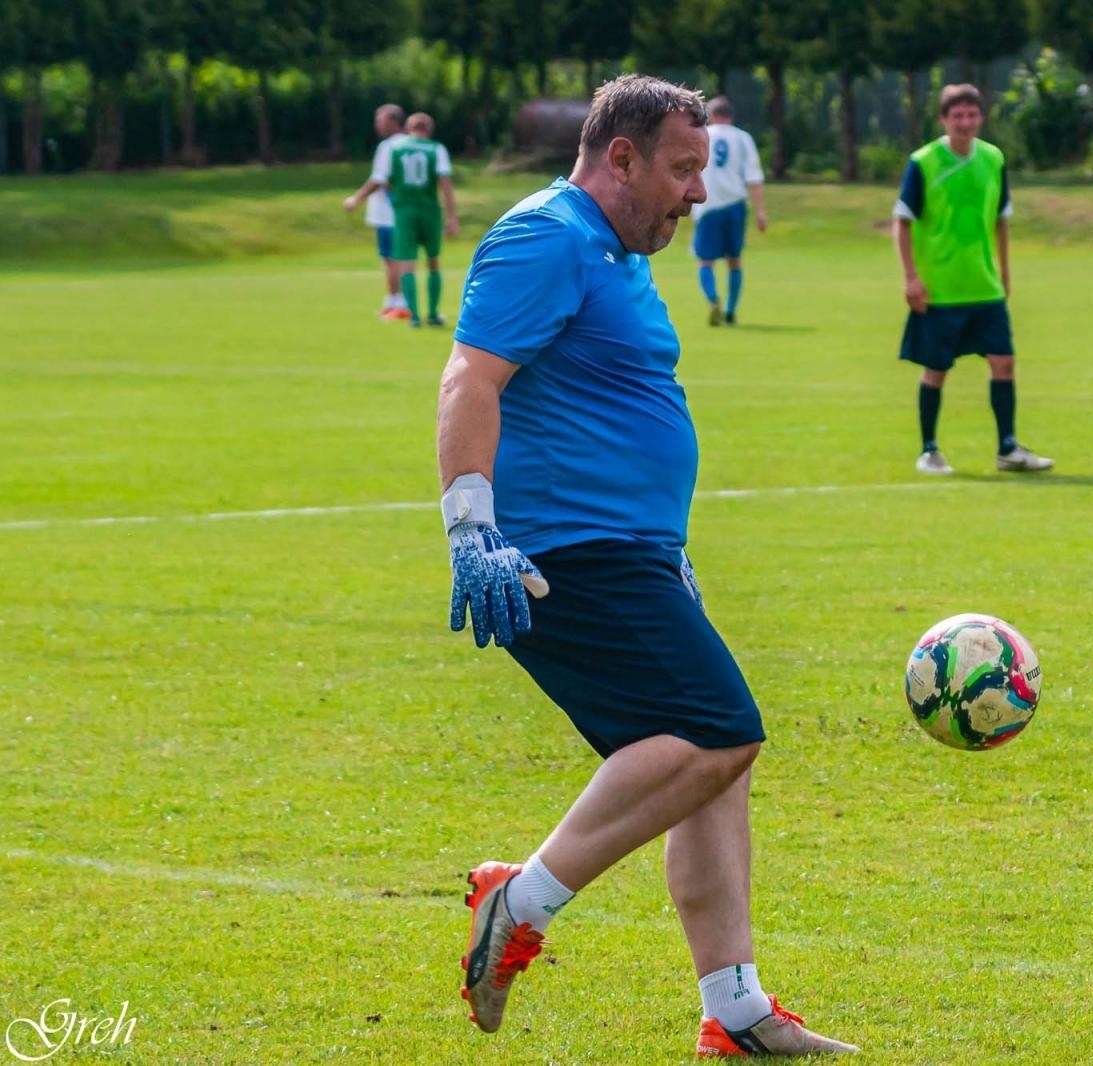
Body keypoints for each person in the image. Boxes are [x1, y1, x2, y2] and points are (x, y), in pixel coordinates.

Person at [435, 74, 858, 1058]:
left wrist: (673, 553)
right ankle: (520, 898)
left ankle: (736, 1009)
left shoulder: (621, 252)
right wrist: (470, 525)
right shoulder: (546, 235)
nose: (695, 195)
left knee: (713, 770)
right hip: (561, 555)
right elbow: (471, 376)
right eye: (679, 170)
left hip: (634, 554)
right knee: (719, 732)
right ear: (616, 156)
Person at [893, 83, 1053, 475]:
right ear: (943, 120)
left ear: (981, 117)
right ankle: (929, 450)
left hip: (984, 286)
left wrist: (1004, 271)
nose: (965, 122)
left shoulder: (993, 158)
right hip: (940, 288)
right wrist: (911, 278)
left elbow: (1001, 219)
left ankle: (1008, 448)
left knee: (1004, 362)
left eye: (972, 115)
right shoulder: (924, 161)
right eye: (957, 116)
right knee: (936, 369)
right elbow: (902, 221)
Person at [347, 111, 459, 328]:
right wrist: (452, 217)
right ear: (429, 130)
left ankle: (414, 316)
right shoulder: (436, 149)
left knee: (406, 263)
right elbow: (445, 184)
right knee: (433, 261)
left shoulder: (395, 149)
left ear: (408, 128)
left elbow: (384, 180)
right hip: (429, 210)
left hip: (404, 212)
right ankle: (433, 313)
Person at [692, 96, 767, 326]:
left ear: (710, 115)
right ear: (730, 116)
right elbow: (754, 178)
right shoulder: (743, 138)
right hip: (735, 205)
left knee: (705, 261)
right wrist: (761, 211)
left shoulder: (702, 136)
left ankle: (713, 300)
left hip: (708, 206)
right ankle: (731, 310)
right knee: (734, 260)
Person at [343, 104, 410, 320]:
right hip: (407, 209)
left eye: (381, 120)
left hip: (389, 211)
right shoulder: (413, 144)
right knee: (399, 256)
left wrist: (356, 198)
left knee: (391, 258)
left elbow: (380, 179)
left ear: (393, 121)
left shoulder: (389, 147)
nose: (377, 124)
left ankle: (399, 304)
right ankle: (394, 302)